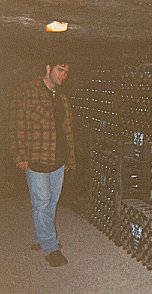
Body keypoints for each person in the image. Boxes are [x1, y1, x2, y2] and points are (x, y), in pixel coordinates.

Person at [8, 56, 75, 267]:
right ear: (48, 68)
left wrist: (70, 158)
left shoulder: (62, 97)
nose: (64, 75)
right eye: (60, 70)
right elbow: (16, 124)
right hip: (36, 157)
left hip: (59, 159)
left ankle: (39, 237)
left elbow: (67, 131)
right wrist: (20, 155)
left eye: (66, 71)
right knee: (42, 203)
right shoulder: (26, 91)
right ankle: (50, 247)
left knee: (52, 202)